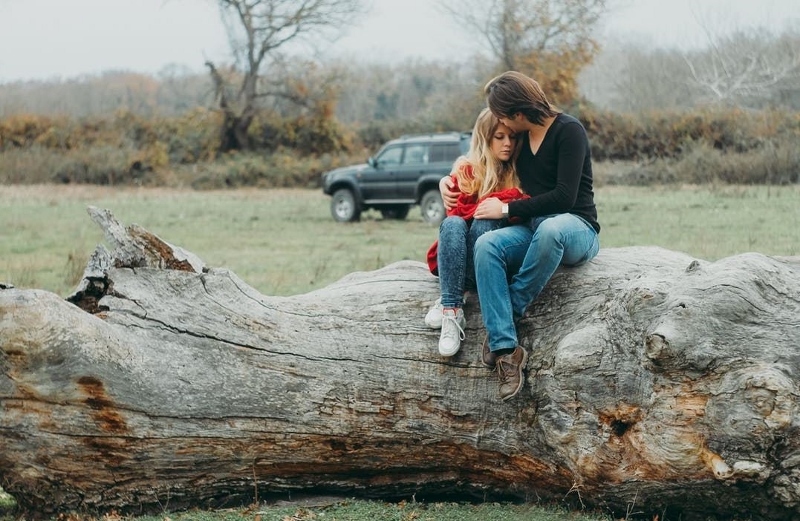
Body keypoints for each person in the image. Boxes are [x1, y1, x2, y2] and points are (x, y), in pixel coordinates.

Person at [441, 71, 600, 401]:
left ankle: (506, 315)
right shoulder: (520, 139)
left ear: (516, 112)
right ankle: (506, 350)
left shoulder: (569, 131)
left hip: (575, 227)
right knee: (486, 245)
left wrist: (503, 210)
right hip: (532, 228)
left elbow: (564, 197)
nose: (501, 124)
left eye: (501, 114)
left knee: (551, 229)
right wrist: (447, 180)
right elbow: (480, 162)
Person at [424, 107, 528, 357]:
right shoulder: (467, 170)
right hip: (460, 258)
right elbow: (455, 218)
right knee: (452, 224)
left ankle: (451, 296)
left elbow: (526, 206)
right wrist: (445, 182)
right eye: (500, 137)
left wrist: (501, 206)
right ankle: (452, 311)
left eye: (512, 137)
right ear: (484, 138)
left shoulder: (520, 170)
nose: (508, 144)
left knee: (483, 222)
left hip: (493, 263)